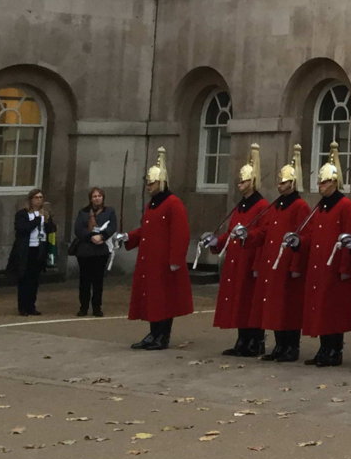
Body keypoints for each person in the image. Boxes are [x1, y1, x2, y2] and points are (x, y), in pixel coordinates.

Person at [115, 148, 192, 350]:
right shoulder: (152, 204)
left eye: (152, 183)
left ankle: (162, 336)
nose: (148, 186)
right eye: (147, 183)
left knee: (164, 300)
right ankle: (153, 332)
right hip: (150, 260)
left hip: (164, 262)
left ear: (161, 182)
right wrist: (129, 237)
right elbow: (146, 230)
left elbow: (180, 233)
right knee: (152, 298)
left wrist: (176, 259)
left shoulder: (173, 203)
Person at [202, 144, 268, 357]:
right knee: (239, 301)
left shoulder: (261, 206)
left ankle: (255, 340)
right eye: (240, 180)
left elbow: (263, 235)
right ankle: (242, 340)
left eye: (245, 180)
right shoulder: (240, 206)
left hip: (250, 260)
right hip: (236, 259)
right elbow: (231, 231)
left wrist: (257, 262)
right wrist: (216, 242)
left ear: (253, 182)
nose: (240, 183)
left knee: (250, 301)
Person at [300, 143, 351, 367]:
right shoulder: (320, 206)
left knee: (333, 310)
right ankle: (324, 348)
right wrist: (299, 243)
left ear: (334, 183)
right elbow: (312, 233)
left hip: (335, 266)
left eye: (324, 182)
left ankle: (335, 349)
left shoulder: (345, 206)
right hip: (319, 265)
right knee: (320, 309)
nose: (321, 186)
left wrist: (345, 268)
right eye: (320, 182)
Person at [254, 145, 311, 362]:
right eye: (279, 182)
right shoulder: (276, 206)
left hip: (288, 263)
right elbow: (267, 232)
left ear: (293, 183)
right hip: (274, 262)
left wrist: (296, 265)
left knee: (289, 307)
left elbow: (304, 236)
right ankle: (279, 345)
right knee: (276, 306)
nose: (281, 186)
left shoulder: (300, 206)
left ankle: (291, 346)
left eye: (285, 182)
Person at [73, 186, 118, 317]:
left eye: (99, 196)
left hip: (100, 250)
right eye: (94, 196)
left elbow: (112, 226)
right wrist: (90, 237)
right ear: (90, 198)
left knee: (98, 281)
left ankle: (97, 307)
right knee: (84, 280)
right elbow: (78, 229)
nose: (97, 198)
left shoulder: (109, 211)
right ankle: (83, 307)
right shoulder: (83, 212)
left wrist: (102, 236)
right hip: (85, 250)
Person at [8, 188, 53, 316]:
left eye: (41, 197)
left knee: (34, 279)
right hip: (26, 249)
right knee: (24, 279)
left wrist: (48, 220)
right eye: (36, 197)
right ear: (31, 200)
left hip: (39, 248)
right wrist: (38, 220)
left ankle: (31, 305)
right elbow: (23, 228)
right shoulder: (23, 214)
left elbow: (51, 230)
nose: (39, 200)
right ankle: (22, 306)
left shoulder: (45, 213)